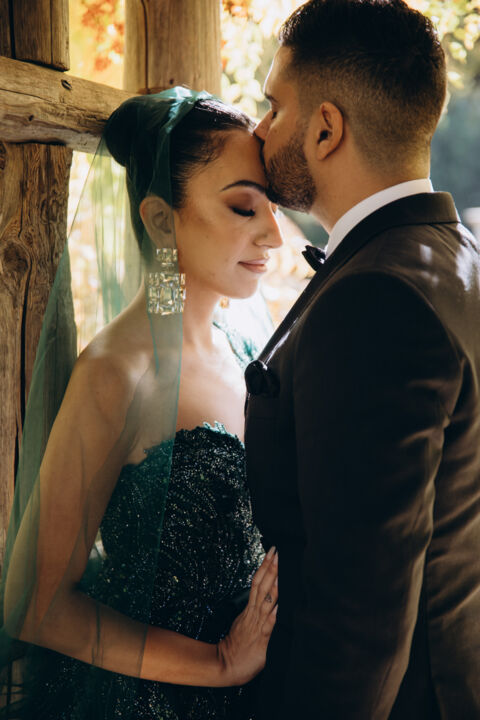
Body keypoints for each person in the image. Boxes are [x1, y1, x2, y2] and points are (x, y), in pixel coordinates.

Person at [0, 88, 282, 719]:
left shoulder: (244, 349)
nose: (273, 234)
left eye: (272, 206)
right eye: (244, 207)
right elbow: (38, 604)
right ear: (160, 221)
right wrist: (219, 663)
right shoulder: (115, 374)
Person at [244, 1, 480, 718]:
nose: (259, 130)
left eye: (273, 107)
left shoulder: (375, 298)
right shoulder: (457, 256)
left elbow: (361, 625)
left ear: (326, 128)